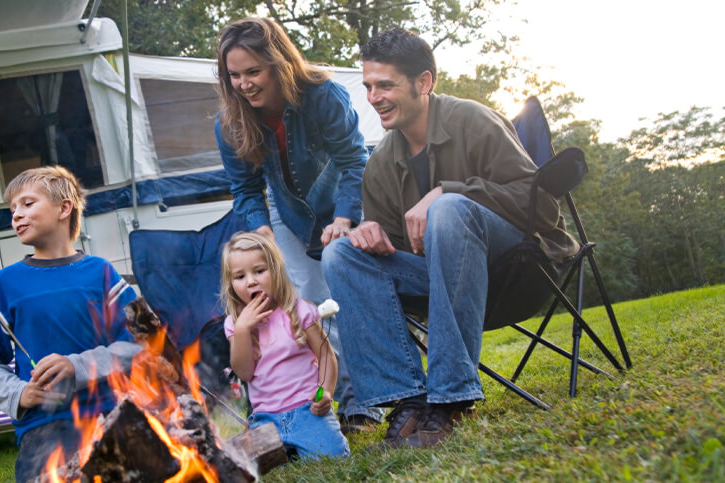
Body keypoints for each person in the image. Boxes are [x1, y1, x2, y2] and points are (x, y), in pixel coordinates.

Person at [320, 28, 579, 448]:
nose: (373, 97)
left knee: (448, 209)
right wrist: (370, 234)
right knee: (340, 254)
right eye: (368, 86)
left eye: (385, 85)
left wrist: (451, 191)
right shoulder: (381, 163)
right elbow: (398, 253)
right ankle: (407, 399)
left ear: (424, 82)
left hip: (517, 272)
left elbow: (543, 209)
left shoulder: (472, 120)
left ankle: (451, 399)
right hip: (440, 285)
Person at [214, 16, 382, 432]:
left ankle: (368, 404)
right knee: (309, 301)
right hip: (285, 215)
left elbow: (354, 162)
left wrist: (345, 218)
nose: (245, 84)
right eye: (234, 75)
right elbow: (245, 187)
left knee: (347, 293)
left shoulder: (323, 96)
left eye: (253, 72)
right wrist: (261, 230)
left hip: (342, 201)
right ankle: (335, 405)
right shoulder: (229, 123)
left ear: (279, 63)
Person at [0, 166, 140, 481]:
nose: (16, 215)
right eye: (12, 209)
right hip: (44, 427)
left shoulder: (100, 273)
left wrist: (78, 365)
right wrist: (18, 393)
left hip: (110, 413)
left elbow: (139, 344)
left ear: (64, 208)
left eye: (27, 203)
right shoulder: (6, 283)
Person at [221, 231, 349, 459]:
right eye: (240, 276)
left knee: (334, 455)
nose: (251, 281)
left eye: (259, 271)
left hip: (307, 410)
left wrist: (326, 390)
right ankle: (290, 451)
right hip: (265, 418)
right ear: (231, 283)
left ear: (276, 271)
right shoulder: (234, 324)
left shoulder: (298, 310)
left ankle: (299, 447)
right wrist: (242, 331)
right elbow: (244, 373)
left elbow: (326, 355)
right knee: (244, 464)